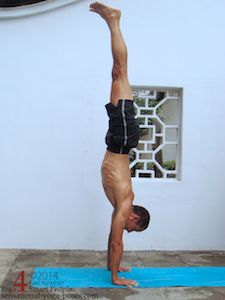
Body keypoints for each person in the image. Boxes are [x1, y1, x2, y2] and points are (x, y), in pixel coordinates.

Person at [90, 2, 150, 288]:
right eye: (134, 228)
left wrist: (111, 268)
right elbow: (117, 242)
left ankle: (113, 22)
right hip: (122, 139)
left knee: (118, 73)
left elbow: (111, 239)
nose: (129, 229)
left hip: (119, 141)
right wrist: (116, 278)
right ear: (135, 217)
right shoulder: (125, 203)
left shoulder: (120, 208)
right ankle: (114, 21)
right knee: (119, 72)